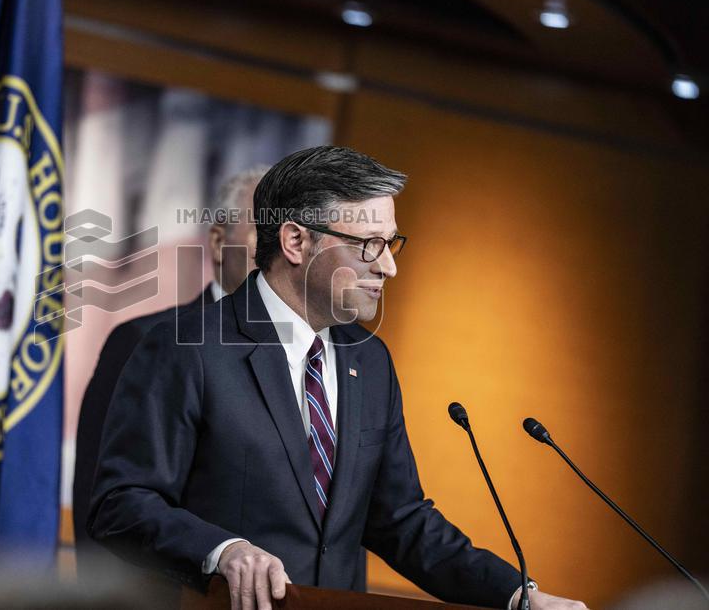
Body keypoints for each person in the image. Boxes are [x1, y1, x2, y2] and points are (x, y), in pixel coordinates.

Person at [88, 147, 587, 610]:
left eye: (391, 244)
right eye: (369, 245)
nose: (389, 267)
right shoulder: (188, 347)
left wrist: (518, 596)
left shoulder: (370, 361)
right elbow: (121, 503)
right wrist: (222, 550)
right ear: (296, 241)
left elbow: (402, 522)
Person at [73, 169, 264, 554]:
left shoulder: (320, 357)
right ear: (218, 242)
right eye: (264, 233)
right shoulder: (141, 341)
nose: (282, 254)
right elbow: (103, 506)